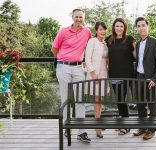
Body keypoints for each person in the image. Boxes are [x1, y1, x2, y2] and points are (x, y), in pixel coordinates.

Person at [51, 9, 92, 143]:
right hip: (63, 68)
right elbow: (54, 48)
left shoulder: (87, 32)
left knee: (80, 99)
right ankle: (67, 129)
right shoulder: (63, 31)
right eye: (77, 17)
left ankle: (81, 131)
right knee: (66, 99)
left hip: (79, 68)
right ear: (72, 17)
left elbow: (91, 47)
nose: (79, 19)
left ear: (83, 18)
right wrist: (64, 59)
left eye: (81, 17)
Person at [133, 17, 156, 140]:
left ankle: (151, 130)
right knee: (140, 105)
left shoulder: (155, 42)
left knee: (152, 106)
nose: (141, 28)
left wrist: (155, 79)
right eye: (139, 26)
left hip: (151, 80)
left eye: (143, 25)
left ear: (148, 26)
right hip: (139, 78)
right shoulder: (138, 43)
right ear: (137, 28)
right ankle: (143, 128)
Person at [105, 18, 136, 135]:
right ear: (114, 27)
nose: (119, 28)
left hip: (126, 74)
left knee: (121, 98)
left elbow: (136, 55)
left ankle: (126, 125)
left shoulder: (130, 39)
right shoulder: (109, 40)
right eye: (117, 26)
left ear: (124, 28)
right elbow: (106, 56)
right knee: (118, 99)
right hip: (113, 73)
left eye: (121, 26)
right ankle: (123, 122)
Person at [85, 21, 108, 138]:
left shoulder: (105, 44)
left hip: (105, 74)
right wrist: (93, 73)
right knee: (97, 100)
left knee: (101, 100)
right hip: (96, 74)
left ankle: (98, 121)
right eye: (100, 29)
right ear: (96, 31)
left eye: (104, 29)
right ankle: (97, 126)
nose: (103, 31)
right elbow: (87, 58)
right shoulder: (92, 41)